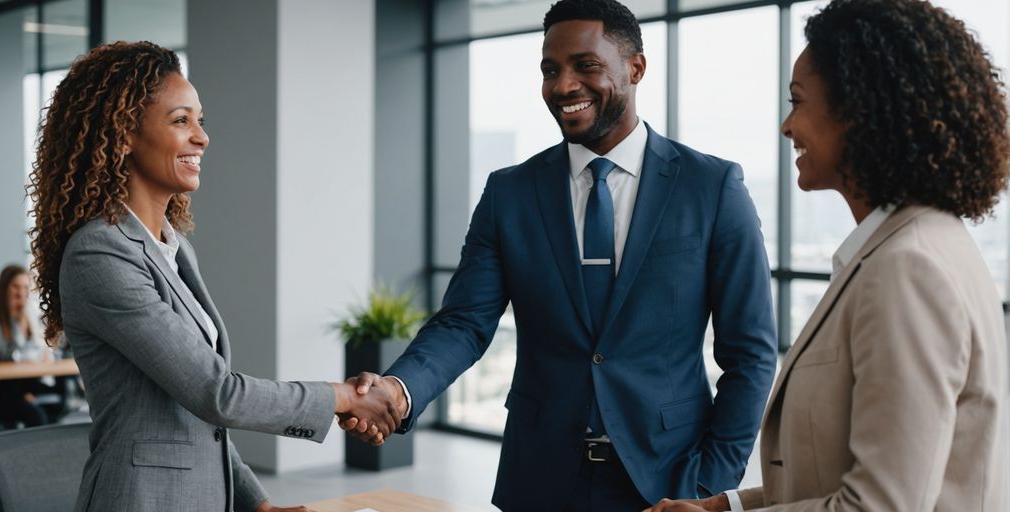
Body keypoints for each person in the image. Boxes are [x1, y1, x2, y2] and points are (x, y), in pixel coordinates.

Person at [345, 0, 777, 510]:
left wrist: (710, 486)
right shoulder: (509, 192)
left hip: (669, 481)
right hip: (539, 479)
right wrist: (399, 389)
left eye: (585, 66)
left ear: (636, 67)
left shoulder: (712, 187)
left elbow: (749, 353)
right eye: (551, 70)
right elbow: (464, 323)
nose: (563, 85)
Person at [647, 1, 1010, 511]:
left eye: (797, 102)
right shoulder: (919, 242)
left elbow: (879, 505)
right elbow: (838, 474)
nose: (786, 126)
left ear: (861, 111)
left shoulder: (908, 269)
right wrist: (722, 506)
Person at [28, 41, 400, 512]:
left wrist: (258, 505)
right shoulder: (99, 253)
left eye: (200, 121)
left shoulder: (175, 249)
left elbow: (197, 415)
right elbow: (216, 392)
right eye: (181, 121)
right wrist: (343, 397)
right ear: (123, 134)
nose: (201, 137)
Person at [0, 264, 55, 427]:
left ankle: (28, 396)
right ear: (4, 288)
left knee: (60, 387)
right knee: (35, 416)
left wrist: (25, 322)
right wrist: (17, 354)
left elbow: (39, 346)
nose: (21, 293)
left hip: (24, 381)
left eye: (25, 287)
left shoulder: (27, 313)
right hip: (0, 386)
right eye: (15, 287)